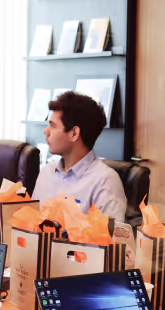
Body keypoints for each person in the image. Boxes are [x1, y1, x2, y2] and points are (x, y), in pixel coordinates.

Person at [33, 91, 126, 222]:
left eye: (53, 126)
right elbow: (29, 227)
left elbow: (111, 240)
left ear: (74, 133)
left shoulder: (105, 181)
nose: (46, 131)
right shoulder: (47, 172)